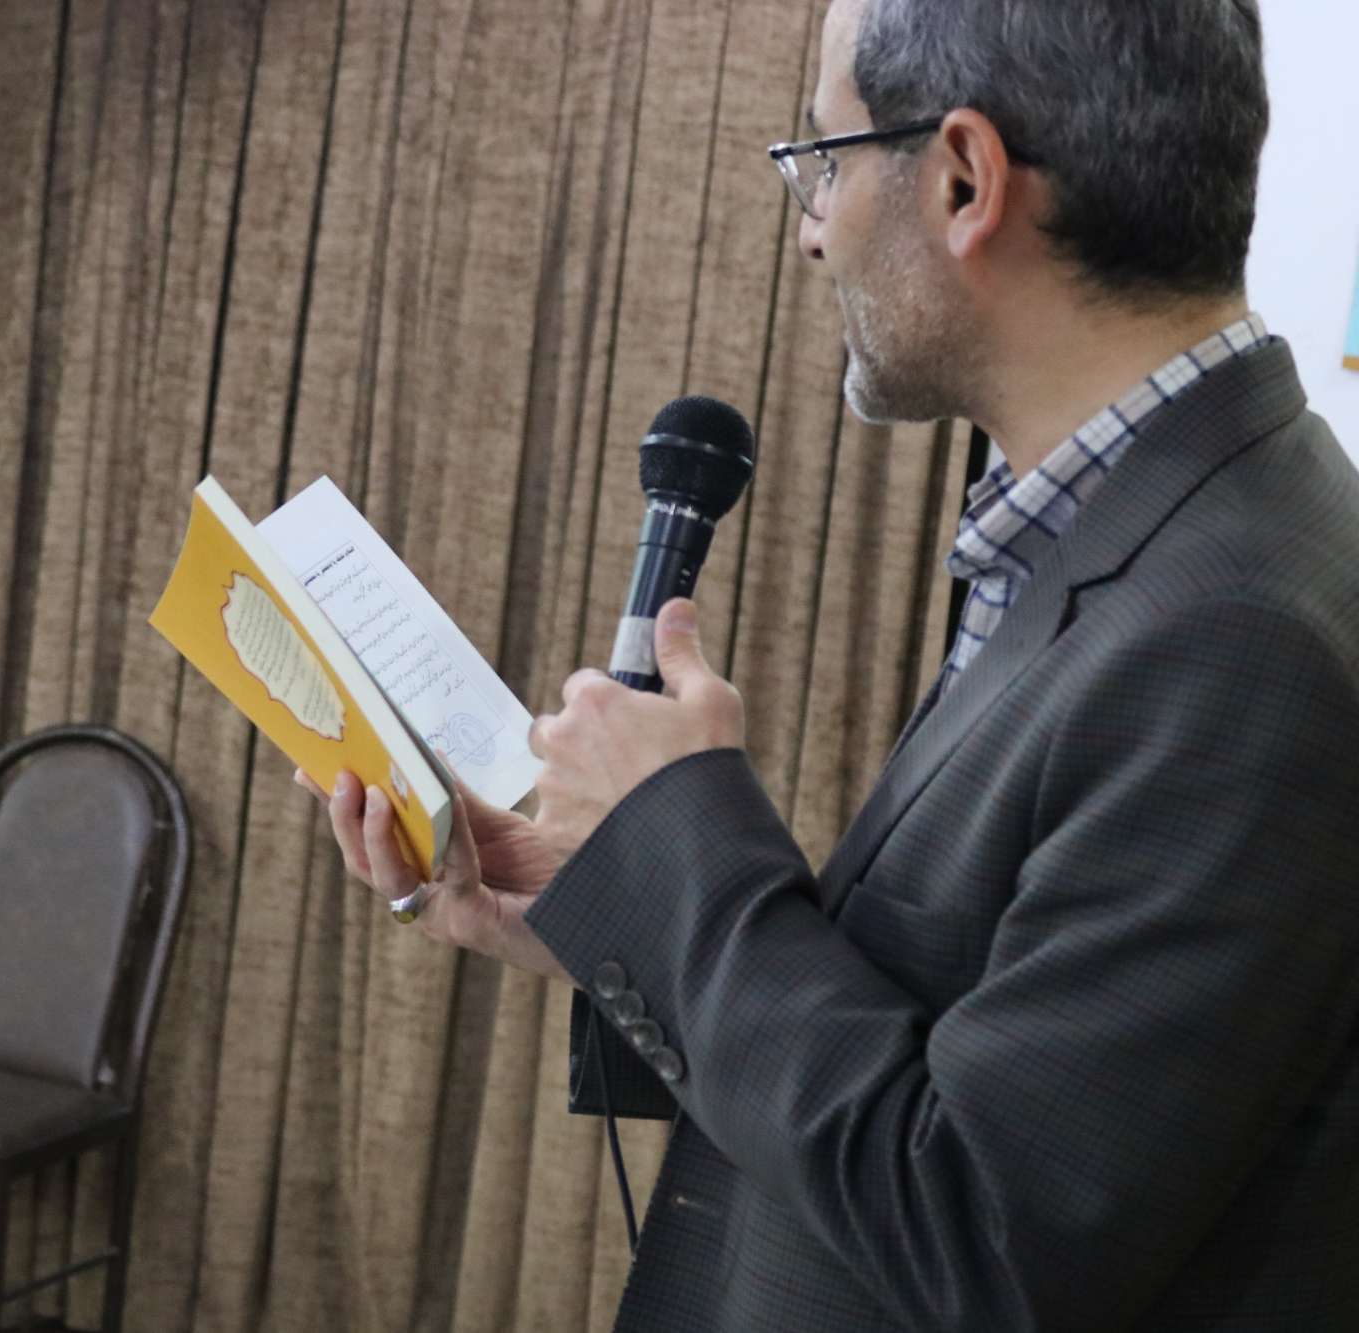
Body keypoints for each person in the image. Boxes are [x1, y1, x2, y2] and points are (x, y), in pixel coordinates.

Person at [300, 0, 1359, 1327]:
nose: (811, 231)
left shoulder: (1238, 628)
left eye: (825, 161)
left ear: (964, 179)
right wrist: (630, 900)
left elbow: (989, 1242)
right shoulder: (1132, 526)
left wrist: (685, 831)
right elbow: (944, 1034)